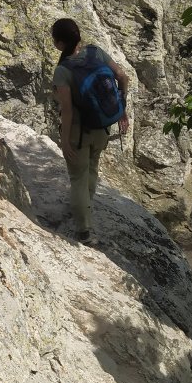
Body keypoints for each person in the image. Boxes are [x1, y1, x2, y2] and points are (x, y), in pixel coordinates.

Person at [51, 18, 130, 243]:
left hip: (79, 133)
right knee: (92, 169)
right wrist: (121, 107)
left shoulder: (63, 71)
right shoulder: (96, 52)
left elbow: (67, 110)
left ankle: (83, 231)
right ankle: (84, 207)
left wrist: (64, 141)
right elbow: (123, 77)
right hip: (102, 128)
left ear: (60, 43)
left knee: (78, 177)